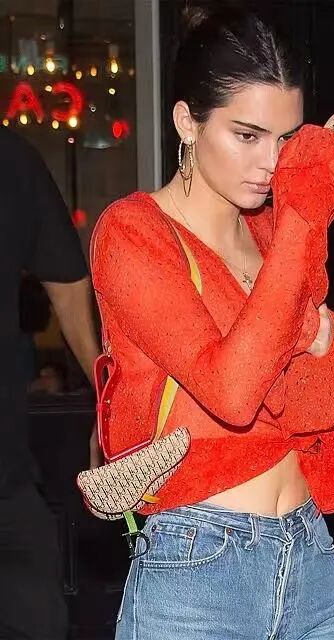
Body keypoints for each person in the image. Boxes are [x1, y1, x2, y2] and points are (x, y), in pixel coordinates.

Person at [91, 7, 334, 639]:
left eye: (287, 140)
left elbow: (312, 404)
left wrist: (319, 335)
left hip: (308, 556)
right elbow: (234, 392)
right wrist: (305, 221)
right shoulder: (133, 233)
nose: (272, 163)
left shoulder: (276, 232)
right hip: (199, 565)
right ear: (187, 122)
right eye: (247, 135)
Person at [0, 126, 100, 640]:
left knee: (41, 619)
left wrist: (112, 399)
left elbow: (67, 284)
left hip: (8, 478)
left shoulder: (11, 160)